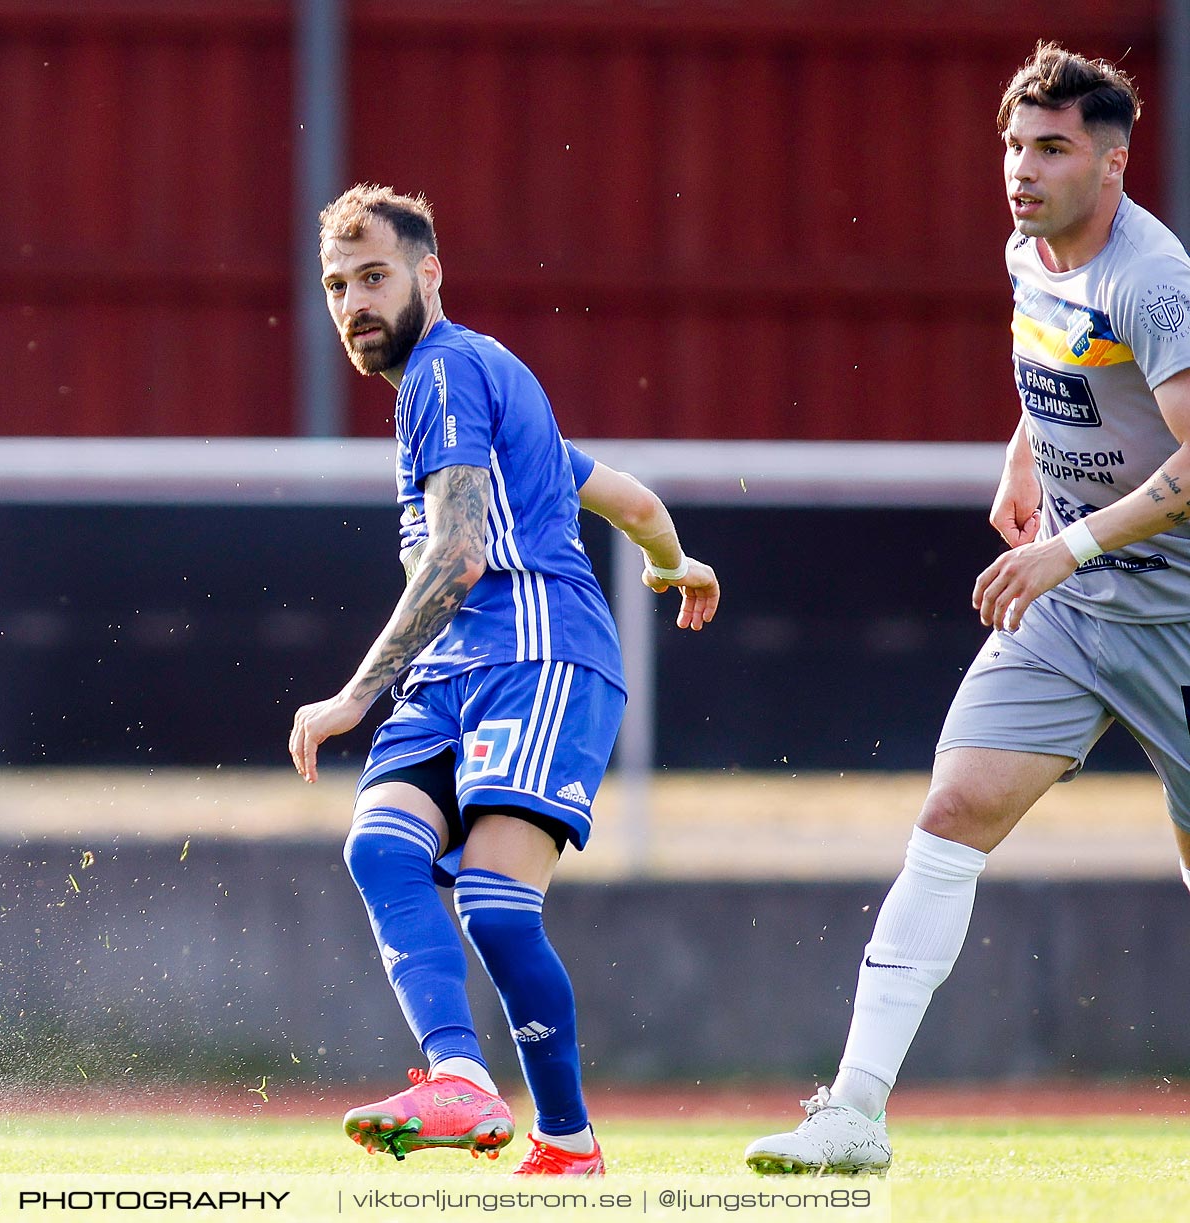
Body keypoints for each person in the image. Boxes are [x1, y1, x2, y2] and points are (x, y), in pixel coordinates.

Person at [747, 42, 1190, 1175]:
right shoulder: (1028, 252)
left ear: (1114, 161)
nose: (1021, 168)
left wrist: (1068, 546)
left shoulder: (1155, 278)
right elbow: (1059, 359)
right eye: (1011, 145)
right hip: (1079, 604)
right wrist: (1026, 459)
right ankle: (854, 1111)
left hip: (1172, 614)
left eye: (1051, 147)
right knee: (952, 812)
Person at [289, 184, 719, 1176]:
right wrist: (671, 562)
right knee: (384, 850)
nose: (353, 301)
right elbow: (629, 495)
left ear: (430, 273)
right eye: (336, 284)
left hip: (536, 654)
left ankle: (559, 1127)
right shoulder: (471, 382)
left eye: (374, 276)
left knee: (490, 897)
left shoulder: (444, 371)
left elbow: (460, 555)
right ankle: (477, 1089)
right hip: (452, 670)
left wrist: (355, 693)